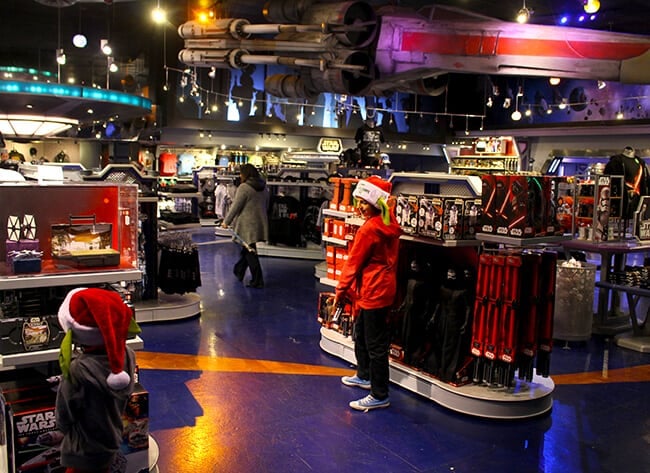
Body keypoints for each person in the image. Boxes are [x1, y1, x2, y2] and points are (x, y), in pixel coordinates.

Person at [55, 287, 141, 473]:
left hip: (82, 450)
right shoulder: (127, 355)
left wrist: (64, 429)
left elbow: (64, 413)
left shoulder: (78, 369)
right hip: (110, 440)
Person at [336, 175, 402, 411]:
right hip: (380, 288)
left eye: (365, 202)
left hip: (373, 291)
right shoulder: (388, 221)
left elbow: (353, 263)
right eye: (359, 201)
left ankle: (379, 394)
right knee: (363, 334)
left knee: (374, 345)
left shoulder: (369, 229)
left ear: (376, 202)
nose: (361, 206)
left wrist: (340, 291)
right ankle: (364, 375)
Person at [221, 163, 270, 288]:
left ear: (246, 174)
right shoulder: (263, 187)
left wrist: (226, 221)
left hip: (246, 224)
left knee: (250, 251)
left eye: (241, 173)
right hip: (260, 223)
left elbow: (236, 206)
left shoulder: (244, 187)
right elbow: (267, 204)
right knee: (247, 247)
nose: (240, 176)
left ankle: (257, 280)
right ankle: (239, 270)